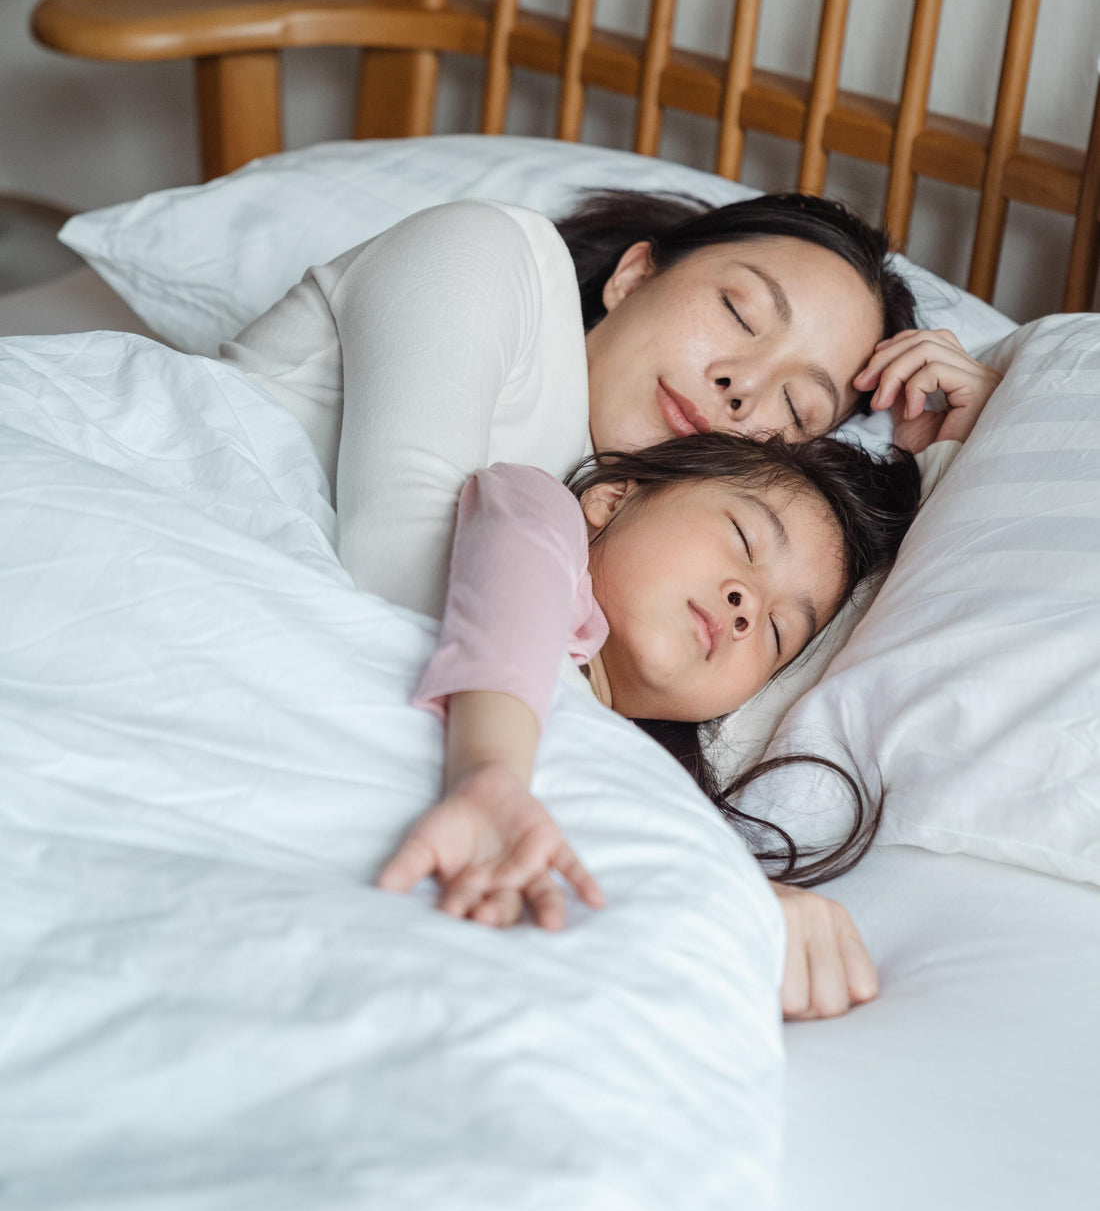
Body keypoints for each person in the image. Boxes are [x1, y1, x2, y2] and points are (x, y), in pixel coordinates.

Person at [221, 187, 1000, 1017]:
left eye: (797, 408)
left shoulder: (629, 535)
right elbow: (407, 578)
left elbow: (782, 663)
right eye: (739, 312)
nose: (742, 387)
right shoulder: (492, 254)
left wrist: (949, 465)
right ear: (634, 274)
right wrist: (685, 871)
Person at [379, 431, 921, 928]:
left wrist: (751, 905)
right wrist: (488, 773)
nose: (747, 608)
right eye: (743, 538)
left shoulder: (654, 788)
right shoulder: (537, 513)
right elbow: (514, 581)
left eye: (777, 633)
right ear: (614, 497)